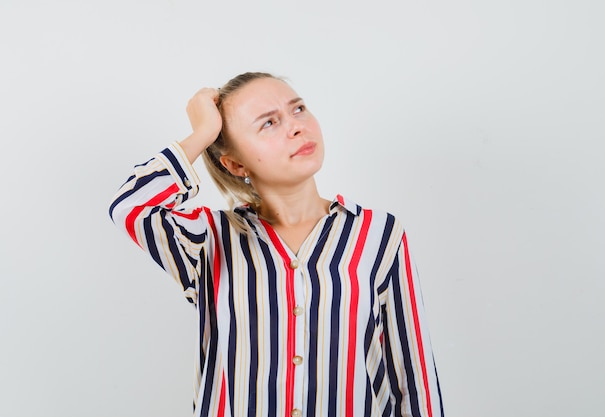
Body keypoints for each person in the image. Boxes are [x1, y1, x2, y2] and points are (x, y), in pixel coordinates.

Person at [109, 72, 444, 417]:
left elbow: (413, 378)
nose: (296, 127)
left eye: (298, 109)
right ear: (236, 163)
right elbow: (130, 208)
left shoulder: (379, 234)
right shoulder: (208, 240)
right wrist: (203, 133)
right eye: (268, 123)